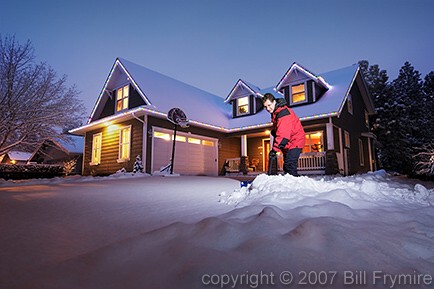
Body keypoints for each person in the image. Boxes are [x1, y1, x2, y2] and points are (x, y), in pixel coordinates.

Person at [262, 93, 306, 176]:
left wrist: (274, 150)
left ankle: (298, 186)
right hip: (289, 143)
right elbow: (281, 129)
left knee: (289, 166)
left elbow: (283, 135)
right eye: (265, 107)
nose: (268, 108)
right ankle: (291, 186)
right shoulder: (276, 112)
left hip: (295, 141)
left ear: (274, 101)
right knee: (287, 167)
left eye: (269, 105)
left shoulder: (283, 113)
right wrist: (275, 131)